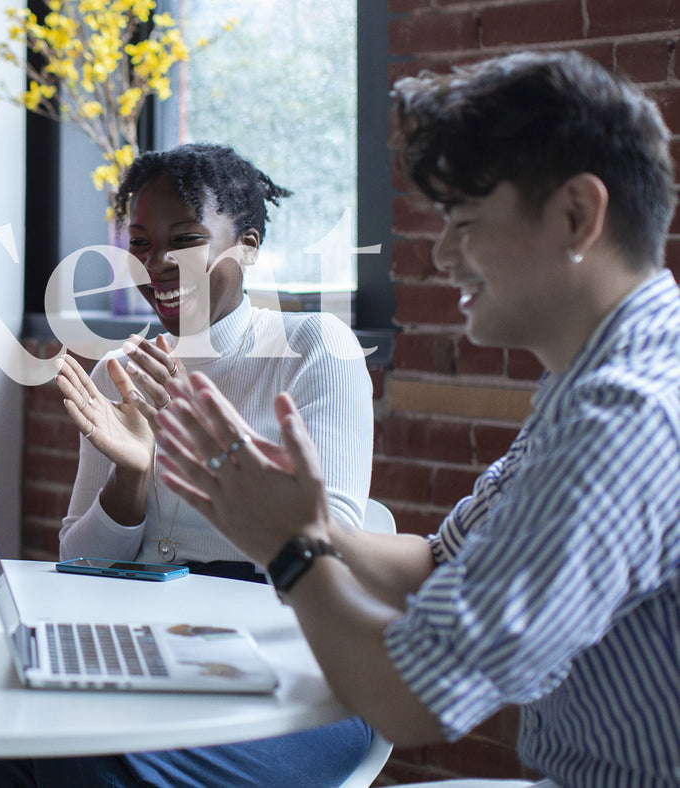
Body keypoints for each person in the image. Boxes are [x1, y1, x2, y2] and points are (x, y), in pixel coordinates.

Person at [159, 51, 680, 788]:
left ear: (575, 216)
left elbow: (412, 701)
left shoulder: (622, 418)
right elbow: (439, 565)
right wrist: (308, 522)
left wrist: (287, 550)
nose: (440, 253)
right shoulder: (598, 379)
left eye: (464, 222)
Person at [0, 144, 374, 788]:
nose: (157, 265)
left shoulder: (316, 346)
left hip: (301, 669)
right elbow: (82, 561)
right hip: (157, 653)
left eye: (187, 241)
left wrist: (186, 435)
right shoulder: (119, 372)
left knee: (92, 758)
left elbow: (332, 541)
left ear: (248, 247)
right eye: (143, 245)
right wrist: (132, 473)